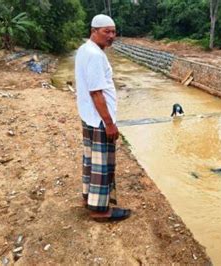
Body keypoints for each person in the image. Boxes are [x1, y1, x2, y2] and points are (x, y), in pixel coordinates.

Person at [75, 14, 130, 222]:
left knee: (90, 159)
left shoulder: (85, 49)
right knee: (102, 163)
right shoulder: (96, 56)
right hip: (98, 118)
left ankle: (89, 197)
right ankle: (100, 211)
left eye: (113, 32)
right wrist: (109, 123)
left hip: (89, 115)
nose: (111, 36)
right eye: (106, 31)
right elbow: (96, 93)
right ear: (94, 31)